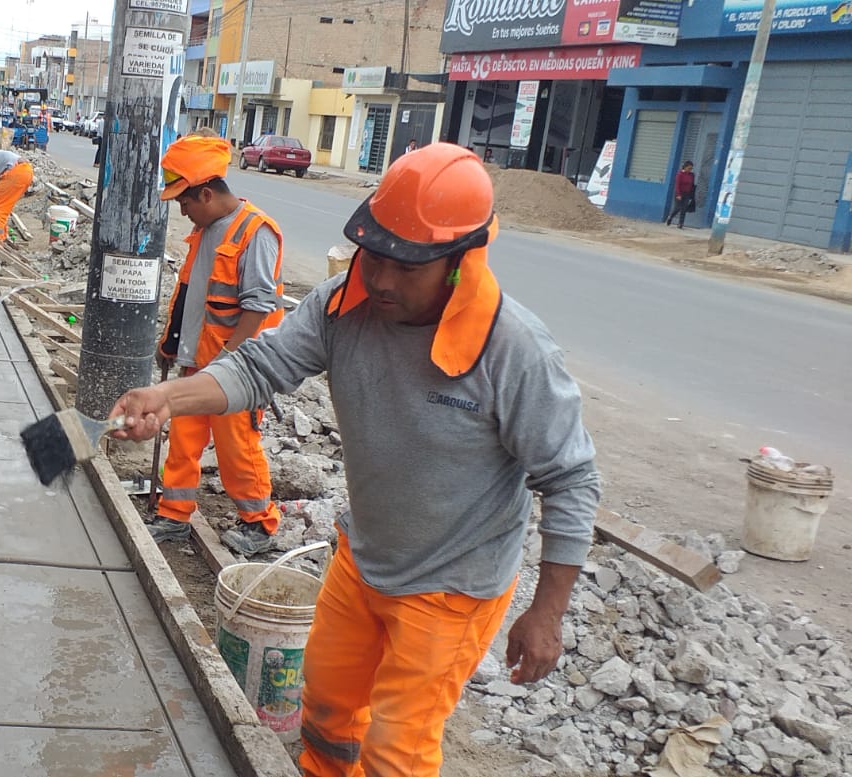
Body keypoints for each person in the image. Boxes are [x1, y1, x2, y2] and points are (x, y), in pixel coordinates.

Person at [109, 142, 601, 777]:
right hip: (363, 558)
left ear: (459, 259)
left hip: (451, 587)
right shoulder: (346, 305)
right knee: (328, 707)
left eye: (408, 265)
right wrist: (167, 397)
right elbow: (263, 365)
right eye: (376, 255)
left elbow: (571, 479)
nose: (384, 279)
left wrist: (548, 613)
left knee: (398, 748)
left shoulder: (513, 350)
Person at [148, 134, 285, 555]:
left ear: (206, 193)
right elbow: (191, 293)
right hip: (197, 360)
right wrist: (172, 343)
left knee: (236, 445)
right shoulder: (204, 230)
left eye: (184, 201)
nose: (182, 210)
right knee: (185, 439)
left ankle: (260, 524)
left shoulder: (255, 231)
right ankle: (174, 514)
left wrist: (230, 362)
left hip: (235, 369)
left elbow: (259, 305)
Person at [667, 160, 696, 228]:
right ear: (685, 167)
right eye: (689, 168)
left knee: (684, 209)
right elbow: (677, 185)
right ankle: (670, 217)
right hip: (679, 193)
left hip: (687, 194)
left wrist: (692, 195)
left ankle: (680, 223)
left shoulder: (692, 175)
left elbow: (692, 185)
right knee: (678, 208)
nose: (690, 170)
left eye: (691, 169)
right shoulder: (680, 174)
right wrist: (678, 194)